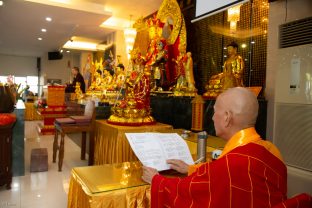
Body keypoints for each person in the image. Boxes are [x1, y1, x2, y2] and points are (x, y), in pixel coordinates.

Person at [142, 87, 287, 208]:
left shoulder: (231, 165)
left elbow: (189, 194)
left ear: (226, 118)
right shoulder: (272, 151)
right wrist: (190, 169)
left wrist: (156, 181)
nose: (211, 118)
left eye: (214, 111)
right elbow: (216, 173)